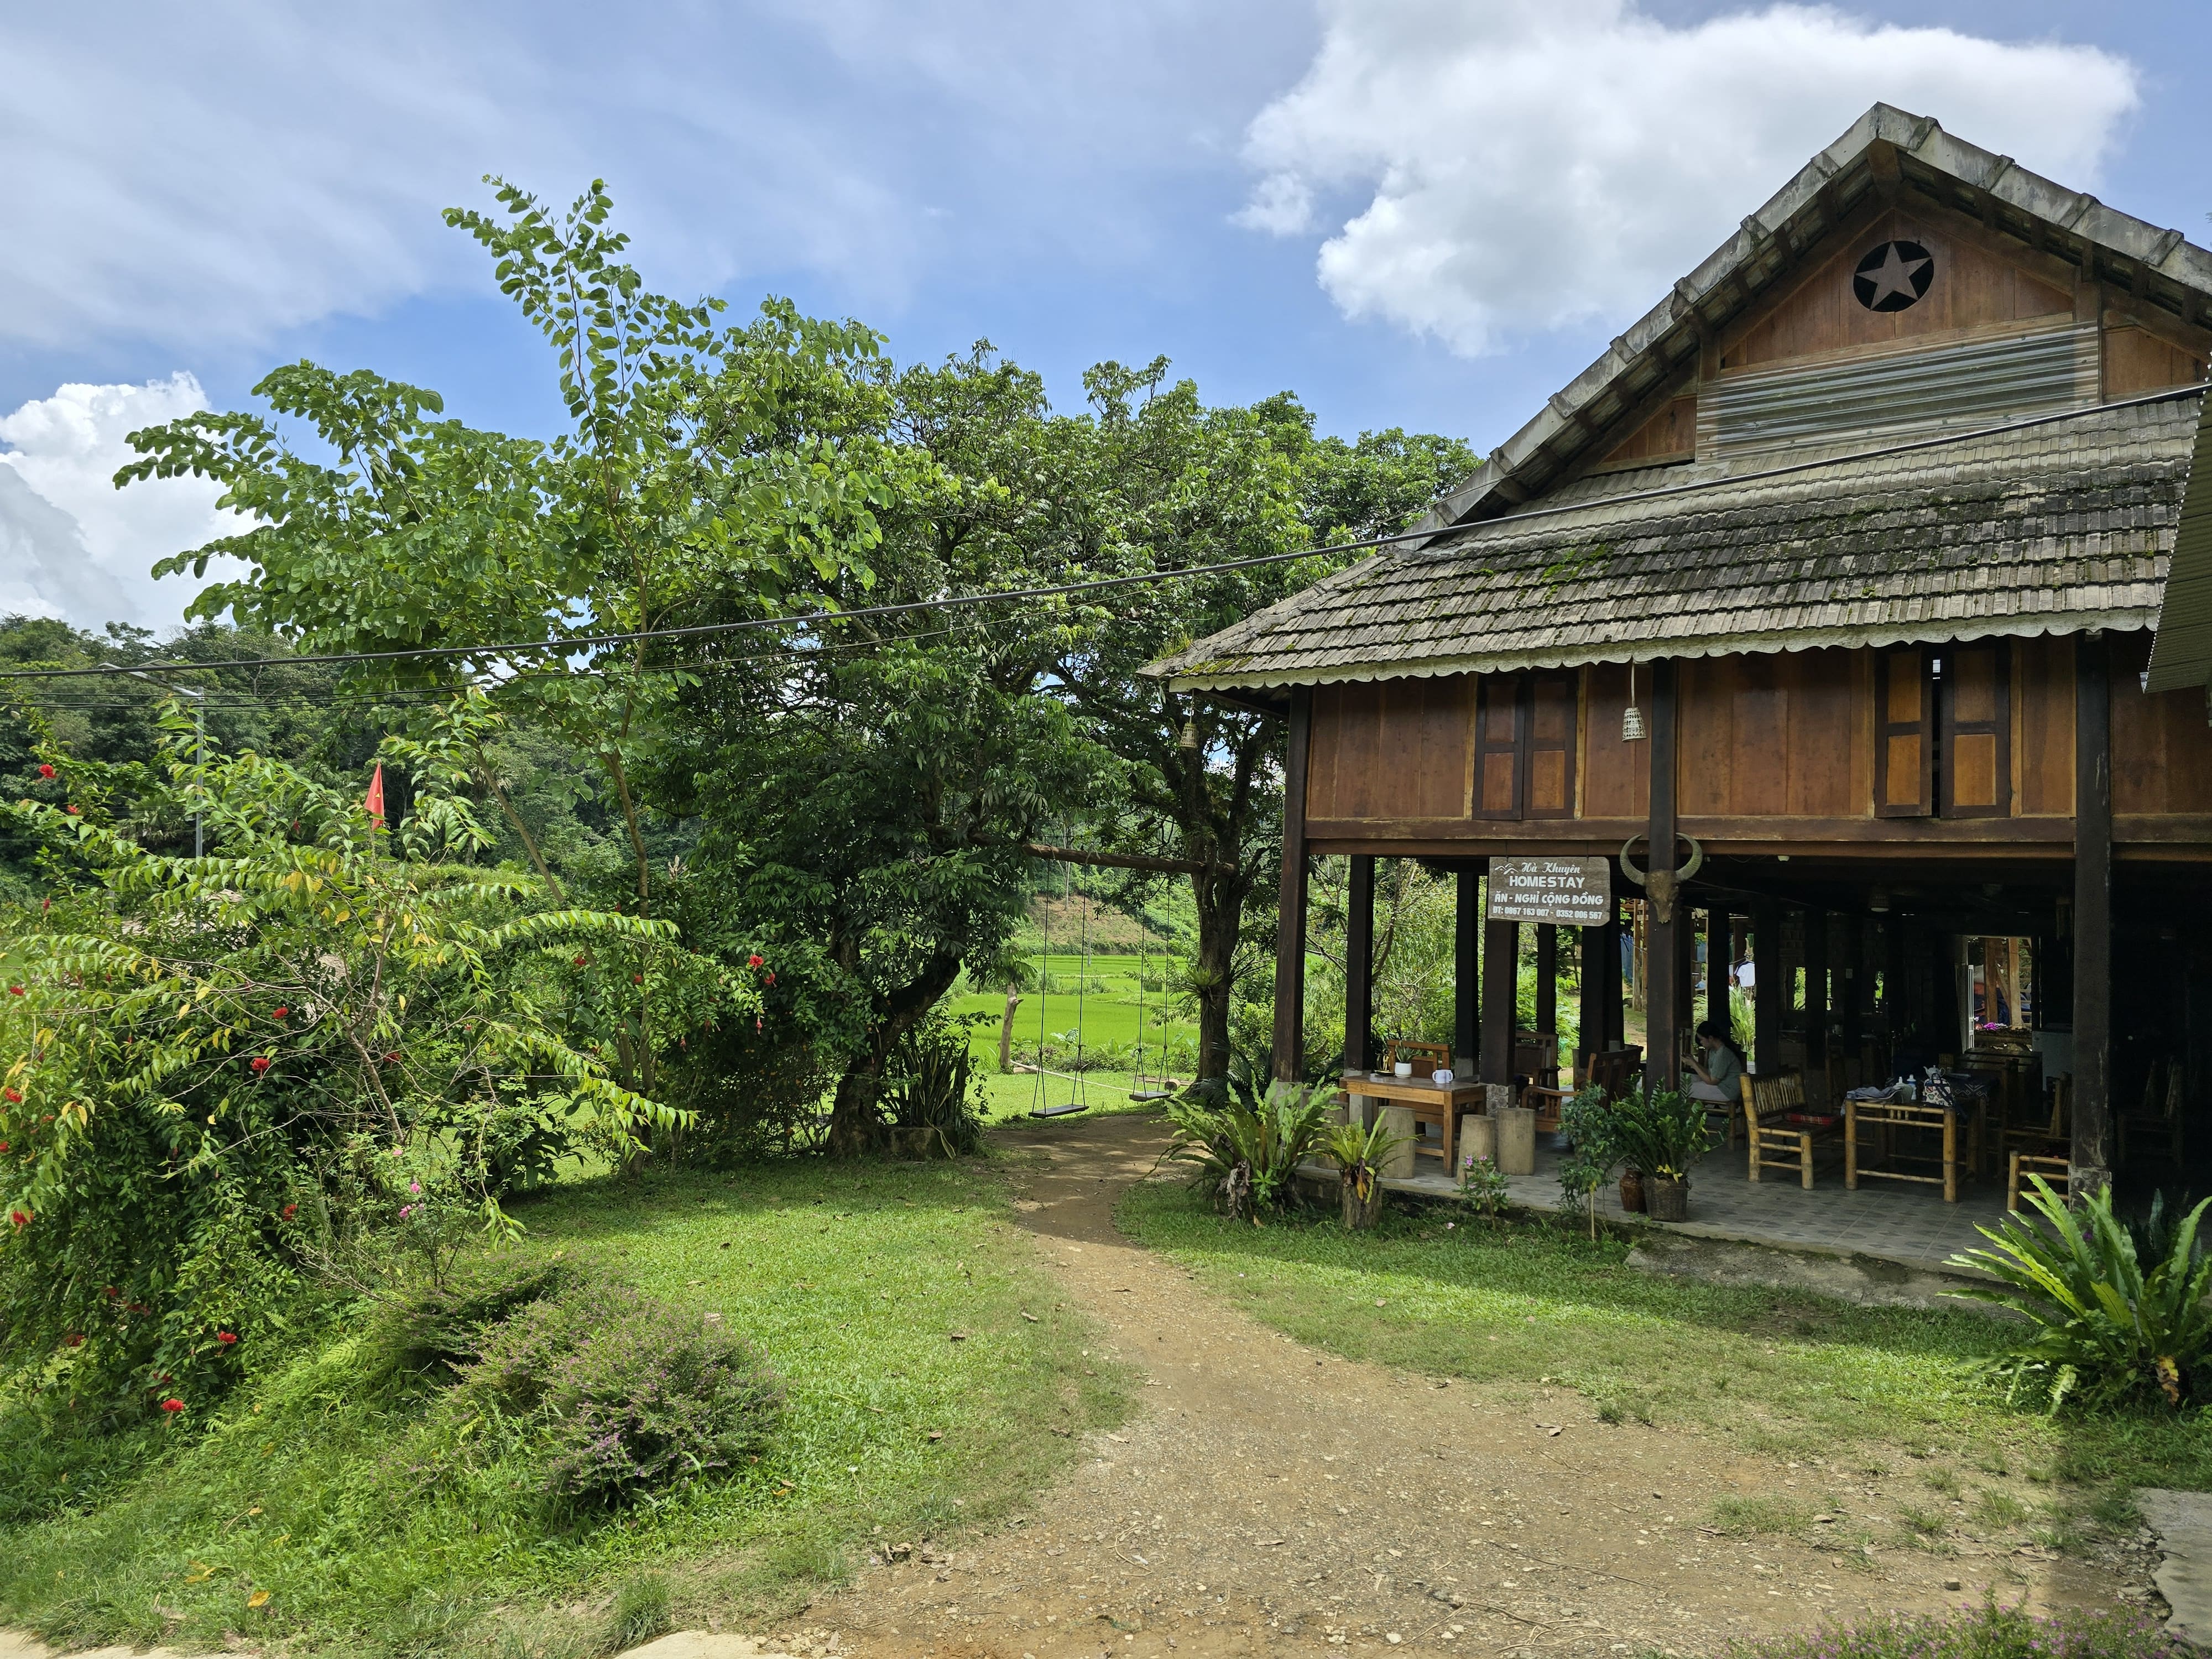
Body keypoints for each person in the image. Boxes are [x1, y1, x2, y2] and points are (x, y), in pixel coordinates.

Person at [1686, 1019, 1746, 1105]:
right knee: (1685, 1078)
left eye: (1702, 1039)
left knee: (1685, 1087)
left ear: (1711, 1038)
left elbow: (1712, 1081)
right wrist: (1693, 1062)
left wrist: (1694, 1064)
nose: (1701, 1042)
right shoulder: (1713, 1051)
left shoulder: (1723, 1054)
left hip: (1727, 1092)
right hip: (1720, 1086)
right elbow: (1710, 1073)